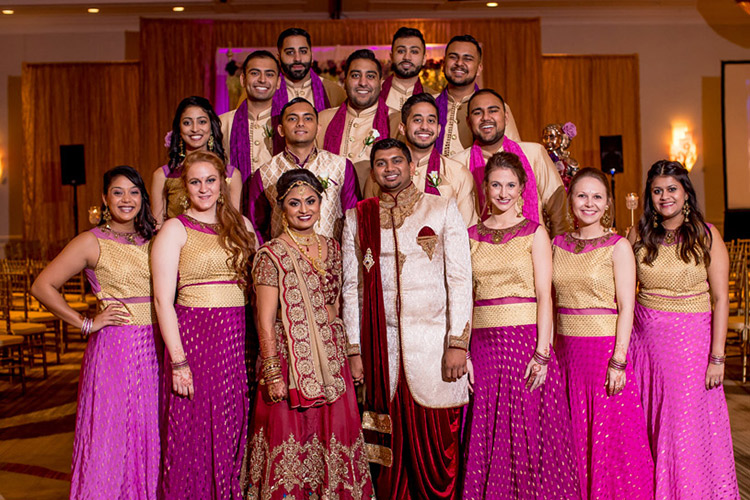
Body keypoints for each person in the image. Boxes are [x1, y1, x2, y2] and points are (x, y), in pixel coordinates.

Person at [341, 138, 472, 499]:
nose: (390, 169)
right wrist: (354, 350)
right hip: (380, 355)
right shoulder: (357, 218)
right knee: (387, 458)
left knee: (439, 454)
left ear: (411, 165)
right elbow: (351, 288)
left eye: (397, 161)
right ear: (374, 170)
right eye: (381, 163)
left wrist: (457, 344)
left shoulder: (442, 210)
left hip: (435, 351)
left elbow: (460, 281)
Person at [31, 166, 160, 499]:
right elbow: (43, 285)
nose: (126, 199)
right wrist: (86, 322)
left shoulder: (153, 238)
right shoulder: (91, 241)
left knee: (149, 431)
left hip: (154, 347)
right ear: (105, 198)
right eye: (117, 192)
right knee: (113, 433)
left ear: (143, 198)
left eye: (133, 191)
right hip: (116, 348)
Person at [244, 169, 373, 499]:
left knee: (335, 435)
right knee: (291, 438)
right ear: (282, 208)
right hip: (289, 364)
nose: (304, 209)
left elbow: (338, 304)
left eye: (311, 201)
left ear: (320, 203)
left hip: (330, 361)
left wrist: (347, 350)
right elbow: (265, 319)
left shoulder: (332, 247)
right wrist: (272, 371)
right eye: (294, 203)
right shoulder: (271, 254)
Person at [462, 152, 579, 499]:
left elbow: (545, 295)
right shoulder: (469, 235)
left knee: (530, 431)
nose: (503, 192)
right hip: (483, 348)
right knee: (489, 431)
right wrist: (464, 350)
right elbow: (465, 297)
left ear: (522, 189)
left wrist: (542, 353)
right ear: (484, 189)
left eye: (510, 185)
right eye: (496, 184)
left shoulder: (535, 233)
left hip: (526, 344)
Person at [627, 160, 740, 499]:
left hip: (690, 348)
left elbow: (721, 299)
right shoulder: (638, 234)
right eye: (657, 191)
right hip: (645, 347)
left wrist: (717, 357)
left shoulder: (706, 234)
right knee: (652, 422)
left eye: (672, 189)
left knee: (683, 428)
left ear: (686, 193)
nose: (665, 197)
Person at [152, 151, 257, 499]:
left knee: (231, 421)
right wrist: (179, 361)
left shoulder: (242, 226)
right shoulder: (174, 228)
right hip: (195, 339)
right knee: (193, 429)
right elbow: (162, 301)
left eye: (210, 180)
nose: (203, 188)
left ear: (223, 184)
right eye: (195, 182)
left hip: (235, 339)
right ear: (185, 187)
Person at [551, 168, 654, 499]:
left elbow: (627, 306)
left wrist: (619, 360)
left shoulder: (618, 246)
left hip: (603, 354)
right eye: (582, 195)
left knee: (610, 439)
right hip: (566, 354)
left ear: (608, 204)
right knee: (571, 434)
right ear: (571, 201)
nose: (589, 203)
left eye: (597, 196)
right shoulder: (556, 244)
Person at [452, 89, 567, 236]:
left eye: (493, 111)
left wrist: (558, 251)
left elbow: (557, 209)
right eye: (477, 112)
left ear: (506, 117)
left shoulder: (534, 153)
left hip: (532, 252)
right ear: (469, 121)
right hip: (479, 253)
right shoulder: (458, 165)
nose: (486, 117)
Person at [246, 97, 360, 244]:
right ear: (280, 130)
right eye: (293, 119)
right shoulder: (264, 173)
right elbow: (256, 226)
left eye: (308, 118)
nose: (300, 123)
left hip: (332, 260)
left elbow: (353, 220)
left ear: (318, 128)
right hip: (283, 261)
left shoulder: (341, 166)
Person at [365, 93, 477, 226]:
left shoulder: (458, 173)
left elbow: (468, 230)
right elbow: (369, 226)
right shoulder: (384, 173)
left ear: (439, 129)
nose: (425, 126)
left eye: (431, 121)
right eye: (417, 120)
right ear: (402, 128)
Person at [152, 96, 241, 226]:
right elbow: (157, 226)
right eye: (187, 123)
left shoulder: (231, 175)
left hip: (220, 244)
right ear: (179, 129)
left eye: (202, 122)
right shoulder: (163, 176)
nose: (195, 129)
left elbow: (234, 225)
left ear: (211, 126)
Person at [432, 34, 520, 157]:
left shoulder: (496, 108)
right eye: (453, 57)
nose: (459, 63)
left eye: (467, 59)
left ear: (479, 69)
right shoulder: (429, 105)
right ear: (443, 64)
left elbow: (514, 156)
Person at [318, 49, 392, 191]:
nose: (363, 83)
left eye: (370, 76)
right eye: (355, 75)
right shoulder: (323, 120)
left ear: (381, 83)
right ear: (344, 81)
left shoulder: (394, 120)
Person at [220, 51, 280, 192]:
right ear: (243, 80)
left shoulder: (287, 124)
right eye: (255, 73)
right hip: (234, 209)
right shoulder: (222, 123)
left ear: (278, 83)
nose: (262, 80)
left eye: (270, 74)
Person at [382, 27, 435, 115]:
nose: (407, 57)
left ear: (424, 59)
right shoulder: (374, 94)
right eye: (401, 51)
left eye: (414, 52)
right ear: (391, 57)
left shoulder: (436, 99)